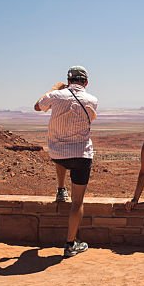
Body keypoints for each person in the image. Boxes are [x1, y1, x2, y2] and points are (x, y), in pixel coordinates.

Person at [34, 65, 98, 257]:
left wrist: (56, 90)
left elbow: (37, 106)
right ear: (86, 82)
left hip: (58, 154)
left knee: (60, 153)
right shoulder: (93, 100)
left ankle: (61, 188)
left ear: (68, 81)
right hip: (81, 156)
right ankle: (71, 244)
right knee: (77, 203)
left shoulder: (56, 95)